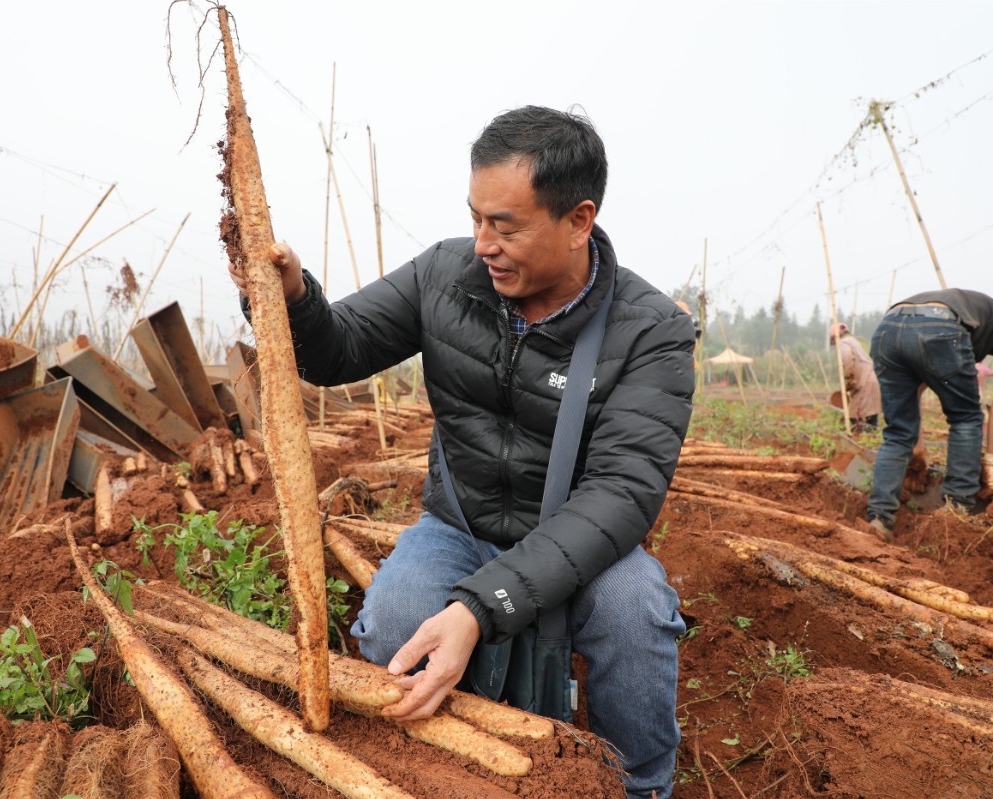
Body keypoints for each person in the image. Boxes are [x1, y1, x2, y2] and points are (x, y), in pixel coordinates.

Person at [230, 106, 697, 799]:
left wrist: (480, 607)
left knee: (635, 613)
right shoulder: (445, 276)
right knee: (394, 622)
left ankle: (641, 787)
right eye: (476, 217)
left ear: (578, 221)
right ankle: (453, 773)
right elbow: (339, 347)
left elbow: (619, 497)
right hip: (460, 526)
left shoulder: (651, 331)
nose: (483, 242)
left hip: (580, 541)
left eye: (505, 224)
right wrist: (294, 295)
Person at [864, 289, 993, 540]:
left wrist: (916, 447)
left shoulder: (975, 315)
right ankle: (956, 510)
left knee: (897, 433)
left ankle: (878, 519)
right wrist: (992, 460)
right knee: (966, 418)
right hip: (939, 325)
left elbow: (914, 390)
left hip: (888, 327)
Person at [828, 322, 880, 433]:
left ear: (835, 337)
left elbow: (847, 358)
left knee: (856, 418)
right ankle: (872, 440)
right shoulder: (855, 342)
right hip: (872, 379)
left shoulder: (843, 343)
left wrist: (848, 376)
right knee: (871, 417)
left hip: (864, 382)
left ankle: (863, 442)